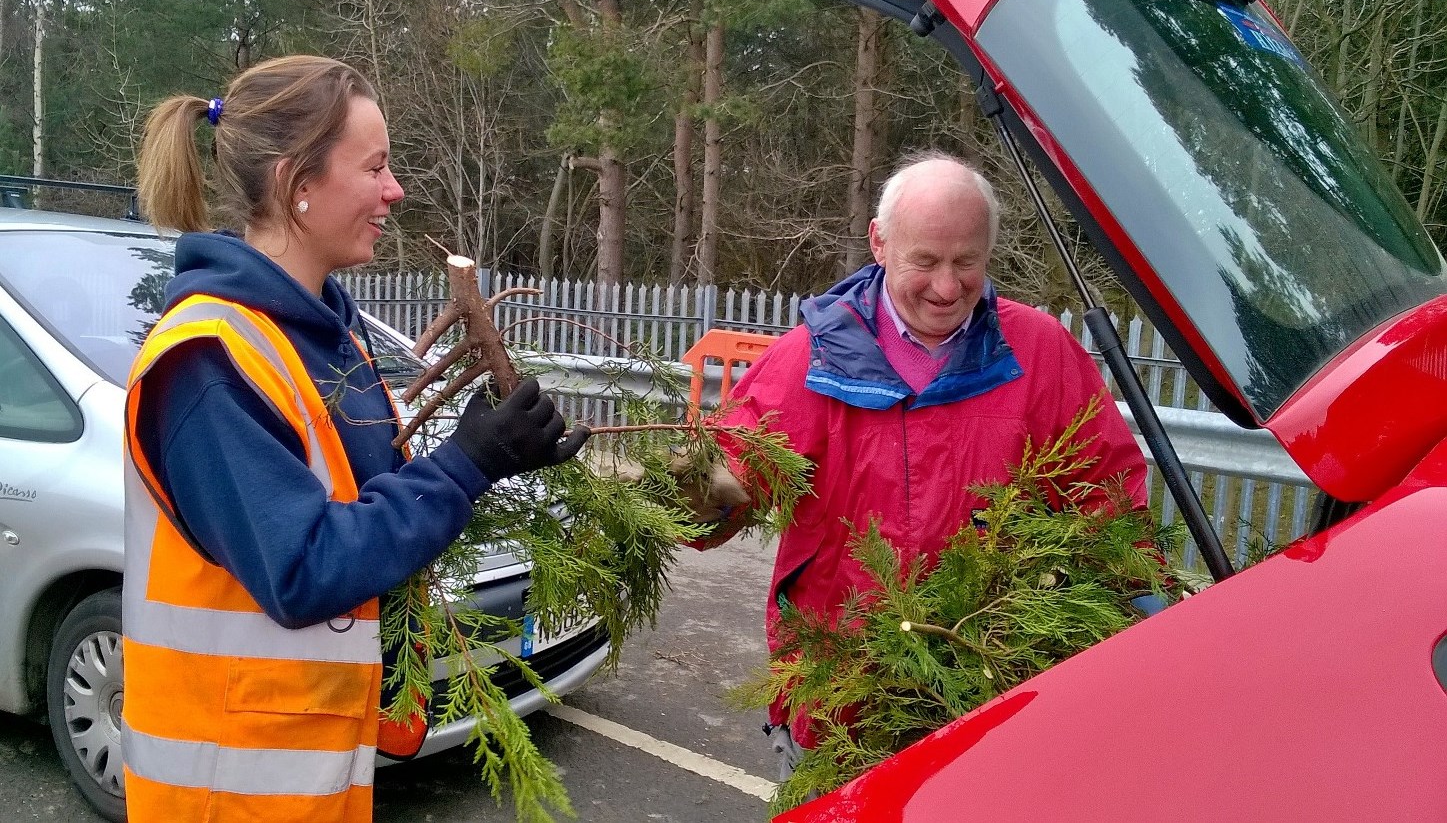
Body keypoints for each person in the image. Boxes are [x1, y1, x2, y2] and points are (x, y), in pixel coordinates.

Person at [121, 55, 589, 822]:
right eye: (374, 166)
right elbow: (303, 568)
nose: (394, 191)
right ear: (294, 182)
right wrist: (465, 466)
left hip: (310, 767)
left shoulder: (329, 334)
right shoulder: (207, 360)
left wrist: (499, 458)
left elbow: (368, 509)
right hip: (223, 785)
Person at [695, 152, 1149, 776]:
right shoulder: (810, 361)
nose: (947, 287)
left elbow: (1104, 491)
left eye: (967, 262)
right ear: (879, 244)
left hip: (995, 686)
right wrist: (683, 498)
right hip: (840, 698)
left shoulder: (1039, 353)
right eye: (926, 261)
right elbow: (727, 483)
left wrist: (1133, 598)